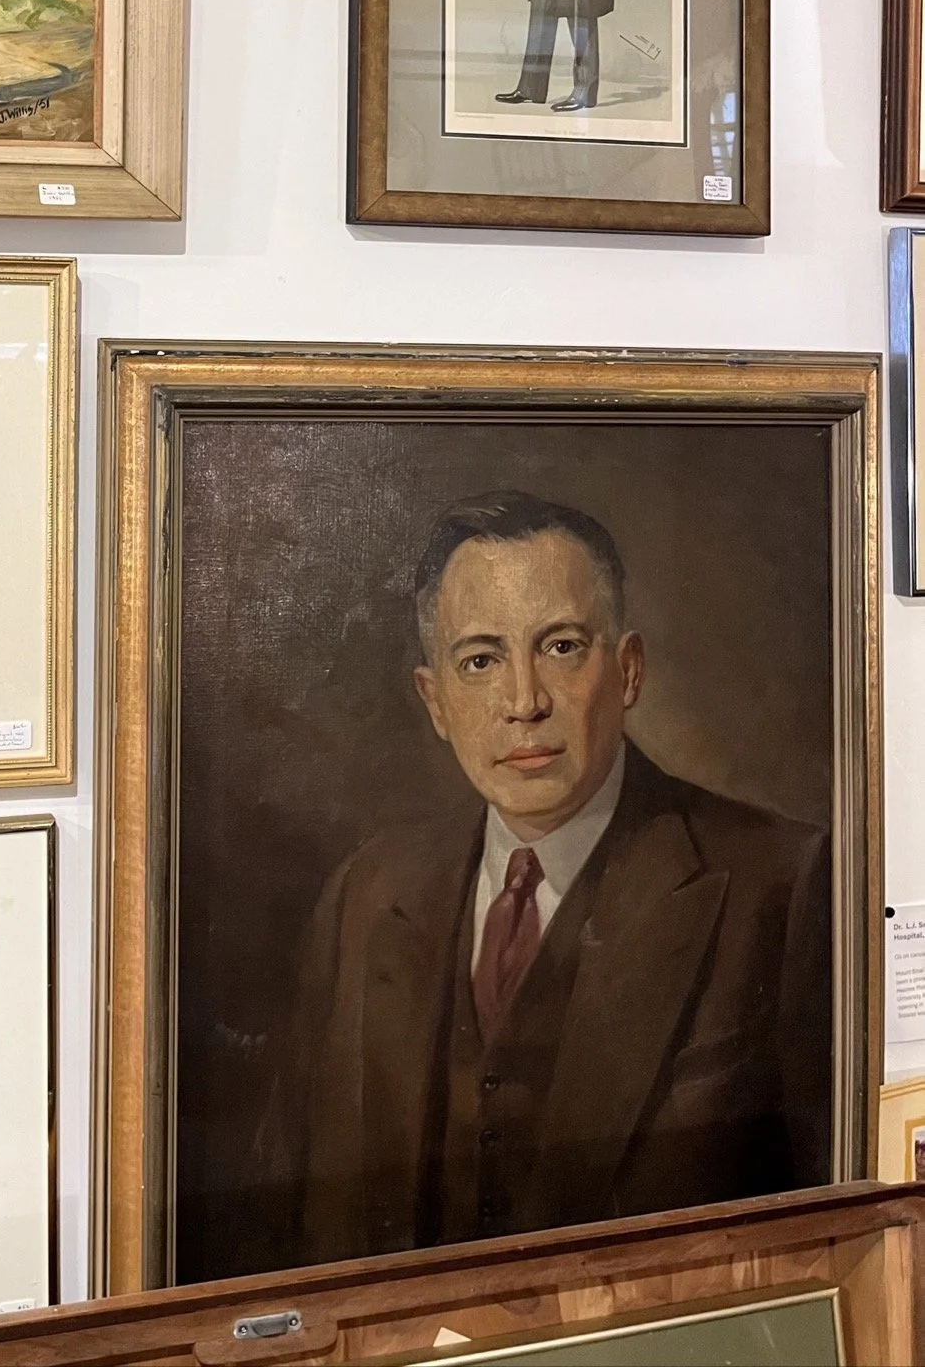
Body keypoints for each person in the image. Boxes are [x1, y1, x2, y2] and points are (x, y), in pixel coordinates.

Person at [282, 490, 830, 1265]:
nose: (524, 702)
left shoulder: (783, 881)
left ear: (629, 670)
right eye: (480, 660)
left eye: (563, 647)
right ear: (434, 701)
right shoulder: (366, 892)